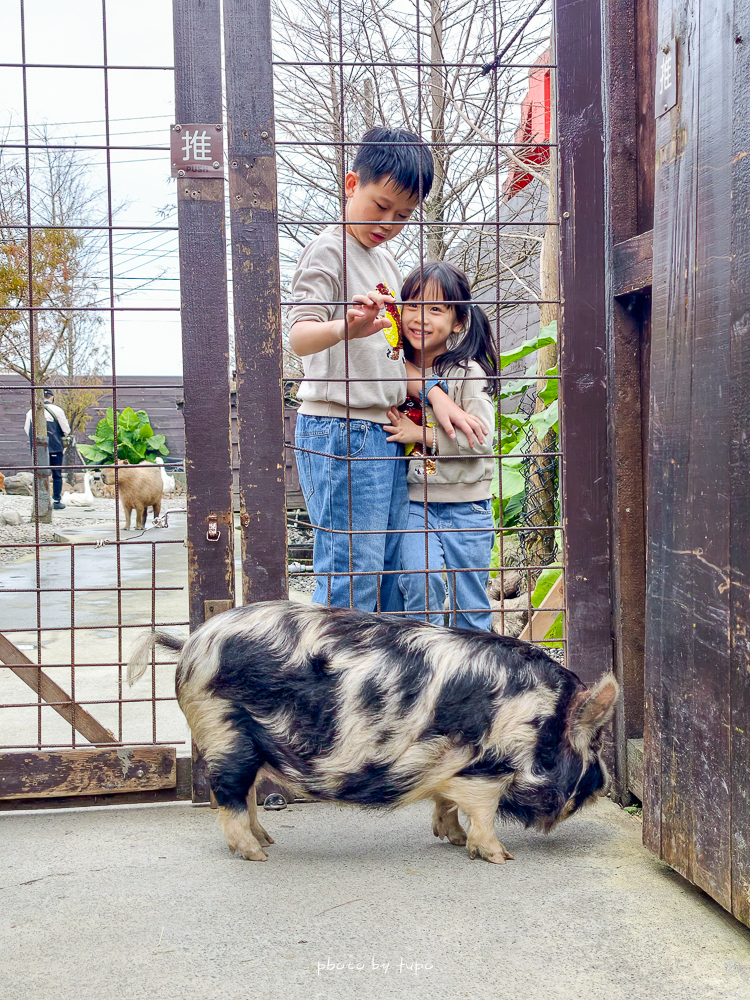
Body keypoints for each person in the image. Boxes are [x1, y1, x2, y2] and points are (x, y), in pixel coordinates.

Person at [289, 128, 487, 612]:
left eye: (403, 216)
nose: (389, 223)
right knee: (349, 576)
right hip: (341, 428)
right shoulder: (329, 249)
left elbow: (395, 355)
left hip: (380, 430)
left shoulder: (387, 260)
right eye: (380, 206)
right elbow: (297, 336)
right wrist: (346, 328)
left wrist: (436, 392)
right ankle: (327, 684)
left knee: (385, 579)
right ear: (351, 183)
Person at [384, 261, 498, 631]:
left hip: (468, 505)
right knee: (420, 584)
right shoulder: (391, 370)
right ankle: (425, 670)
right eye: (413, 306)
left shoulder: (467, 373)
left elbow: (481, 439)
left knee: (471, 604)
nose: (420, 318)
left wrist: (422, 436)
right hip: (416, 502)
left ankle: (475, 680)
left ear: (458, 322)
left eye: (436, 309)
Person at [24, 388, 70, 511]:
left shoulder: (31, 412)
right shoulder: (57, 410)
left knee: (39, 473)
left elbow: (27, 429)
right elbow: (66, 430)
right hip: (55, 446)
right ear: (51, 397)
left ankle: (39, 500)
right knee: (56, 474)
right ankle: (56, 500)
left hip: (38, 448)